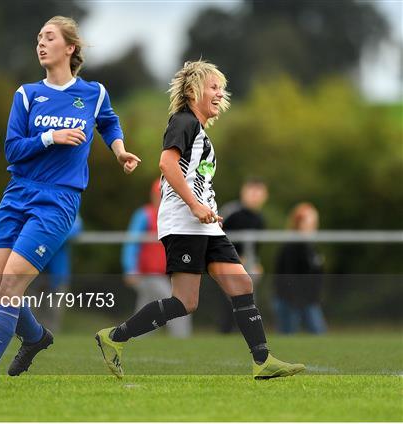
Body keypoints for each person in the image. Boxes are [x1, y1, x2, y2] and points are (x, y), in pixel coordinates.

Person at [0, 16, 140, 387]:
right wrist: (50, 136)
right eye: (38, 38)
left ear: (70, 48)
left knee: (10, 287)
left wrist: (119, 151)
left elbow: (109, 122)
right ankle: (35, 337)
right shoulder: (27, 94)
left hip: (58, 201)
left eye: (49, 37)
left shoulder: (93, 92)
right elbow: (13, 149)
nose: (41, 43)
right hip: (18, 193)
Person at [96, 60, 304, 380]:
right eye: (213, 87)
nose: (220, 93)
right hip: (183, 222)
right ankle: (115, 338)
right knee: (185, 302)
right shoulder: (183, 121)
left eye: (222, 87)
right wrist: (194, 206)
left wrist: (205, 209)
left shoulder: (200, 131)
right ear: (194, 91)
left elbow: (195, 177)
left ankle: (262, 360)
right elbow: (167, 164)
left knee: (241, 282)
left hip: (206, 223)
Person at [122, 179, 192, 338]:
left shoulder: (173, 217)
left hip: (162, 275)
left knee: (145, 310)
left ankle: (132, 339)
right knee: (176, 304)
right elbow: (131, 243)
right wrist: (130, 268)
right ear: (153, 196)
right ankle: (183, 339)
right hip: (148, 275)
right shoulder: (144, 215)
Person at [218, 177, 268, 333]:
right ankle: (226, 333)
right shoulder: (232, 212)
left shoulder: (260, 219)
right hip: (227, 264)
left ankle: (248, 332)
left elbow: (255, 247)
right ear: (243, 192)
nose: (255, 196)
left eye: (258, 192)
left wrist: (256, 263)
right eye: (252, 191)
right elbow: (216, 236)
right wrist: (234, 258)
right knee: (232, 301)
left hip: (248, 267)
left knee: (248, 300)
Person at [273, 203, 327, 334]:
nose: (312, 225)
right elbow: (286, 276)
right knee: (288, 338)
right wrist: (295, 298)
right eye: (308, 221)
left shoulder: (312, 246)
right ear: (298, 223)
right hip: (290, 301)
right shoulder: (291, 245)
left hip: (309, 300)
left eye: (314, 221)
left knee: (319, 335)